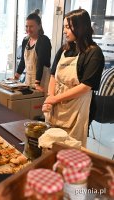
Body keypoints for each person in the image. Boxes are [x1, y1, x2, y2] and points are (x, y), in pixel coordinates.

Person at [42, 9, 104, 147]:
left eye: (68, 27)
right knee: (51, 147)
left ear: (81, 27)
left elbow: (85, 87)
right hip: (57, 106)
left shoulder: (94, 53)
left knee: (71, 150)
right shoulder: (64, 49)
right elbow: (53, 76)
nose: (65, 31)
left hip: (77, 110)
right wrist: (50, 98)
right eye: (64, 27)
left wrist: (55, 99)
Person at [14, 11, 52, 92]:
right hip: (28, 79)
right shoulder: (25, 40)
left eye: (31, 26)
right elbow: (23, 61)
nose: (28, 29)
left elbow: (40, 63)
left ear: (39, 26)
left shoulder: (44, 40)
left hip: (42, 80)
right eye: (26, 26)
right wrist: (16, 77)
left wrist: (37, 83)